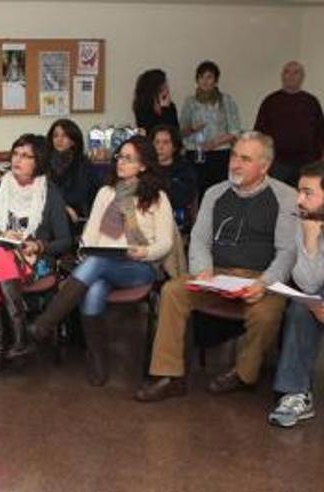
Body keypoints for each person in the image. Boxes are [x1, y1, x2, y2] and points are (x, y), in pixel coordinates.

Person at [136, 132, 297, 402]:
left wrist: (265, 283)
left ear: (265, 166)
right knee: (173, 291)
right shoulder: (215, 193)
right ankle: (169, 376)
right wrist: (203, 270)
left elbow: (287, 252)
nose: (235, 164)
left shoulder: (286, 197)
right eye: (234, 156)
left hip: (260, 279)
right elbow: (199, 239)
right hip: (216, 275)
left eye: (245, 159)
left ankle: (243, 374)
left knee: (268, 313)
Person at [30, 135, 181, 386]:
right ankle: (98, 357)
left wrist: (144, 252)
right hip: (103, 262)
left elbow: (166, 242)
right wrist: (88, 247)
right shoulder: (105, 192)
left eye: (129, 159)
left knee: (94, 266)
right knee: (95, 286)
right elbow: (90, 233)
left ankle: (45, 323)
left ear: (143, 165)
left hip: (139, 266)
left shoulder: (157, 197)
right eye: (120, 156)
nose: (121, 162)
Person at [0, 134, 71, 383]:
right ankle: (18, 340)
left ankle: (1, 350)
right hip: (2, 257)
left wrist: (38, 244)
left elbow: (65, 240)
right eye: (16, 154)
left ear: (38, 162)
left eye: (26, 156)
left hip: (35, 262)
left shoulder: (50, 192)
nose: (18, 160)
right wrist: (4, 238)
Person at [268, 161, 324, 427]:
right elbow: (308, 284)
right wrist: (310, 240)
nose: (299, 199)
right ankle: (295, 393)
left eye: (307, 193)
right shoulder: (306, 222)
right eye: (299, 191)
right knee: (302, 307)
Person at [254, 61, 324, 187]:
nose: (291, 76)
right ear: (282, 76)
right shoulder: (270, 101)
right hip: (277, 163)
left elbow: (321, 132)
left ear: (302, 77)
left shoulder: (311, 102)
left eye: (296, 72)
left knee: (304, 200)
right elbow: (259, 133)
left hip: (308, 163)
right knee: (277, 198)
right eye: (287, 72)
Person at [179, 60, 241, 198]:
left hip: (219, 153)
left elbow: (235, 130)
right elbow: (181, 131)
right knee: (197, 192)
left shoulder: (226, 100)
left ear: (216, 80)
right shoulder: (190, 101)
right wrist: (193, 128)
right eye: (201, 77)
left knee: (219, 192)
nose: (205, 81)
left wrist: (214, 143)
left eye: (209, 77)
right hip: (196, 153)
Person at [46, 119, 99, 226]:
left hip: (76, 215)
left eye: (64, 136)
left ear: (73, 140)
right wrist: (62, 206)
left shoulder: (83, 164)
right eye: (55, 136)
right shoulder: (45, 162)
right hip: (51, 210)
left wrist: (64, 207)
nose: (59, 140)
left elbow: (80, 195)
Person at [151, 124, 198, 231]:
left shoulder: (184, 168)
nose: (160, 147)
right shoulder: (145, 168)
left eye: (166, 142)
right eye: (156, 142)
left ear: (174, 147)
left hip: (176, 222)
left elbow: (183, 198)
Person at [133, 69, 179, 134]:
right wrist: (164, 110)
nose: (167, 87)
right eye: (164, 85)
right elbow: (151, 131)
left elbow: (175, 130)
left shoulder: (170, 106)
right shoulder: (142, 107)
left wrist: (165, 109)